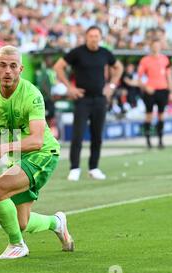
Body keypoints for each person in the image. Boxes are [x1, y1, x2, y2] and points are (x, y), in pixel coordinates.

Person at [0, 45, 74, 260]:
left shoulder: (32, 94)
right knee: (21, 222)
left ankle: (17, 245)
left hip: (43, 154)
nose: (8, 71)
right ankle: (56, 223)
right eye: (3, 65)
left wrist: (2, 148)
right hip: (17, 158)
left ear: (21, 69)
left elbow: (37, 140)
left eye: (13, 66)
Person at [53, 26, 123, 181]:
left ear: (100, 37)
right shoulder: (77, 52)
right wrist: (69, 87)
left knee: (97, 135)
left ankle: (94, 167)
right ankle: (74, 168)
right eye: (91, 36)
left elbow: (118, 67)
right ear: (86, 37)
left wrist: (111, 86)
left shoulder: (105, 53)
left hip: (100, 99)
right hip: (82, 99)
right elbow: (58, 66)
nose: (94, 38)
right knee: (78, 135)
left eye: (96, 36)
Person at [137, 38, 172, 149]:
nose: (156, 48)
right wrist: (145, 87)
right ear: (151, 47)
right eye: (154, 46)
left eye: (158, 46)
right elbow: (139, 77)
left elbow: (169, 77)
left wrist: (171, 91)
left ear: (160, 47)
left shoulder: (165, 60)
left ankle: (160, 140)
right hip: (150, 91)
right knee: (149, 115)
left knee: (161, 115)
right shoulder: (145, 60)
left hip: (162, 90)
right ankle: (148, 141)